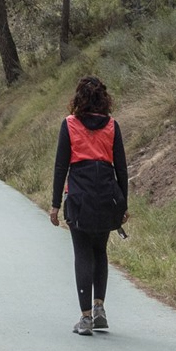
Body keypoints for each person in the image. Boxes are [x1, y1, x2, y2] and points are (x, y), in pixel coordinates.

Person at [48, 75, 129, 336]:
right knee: (100, 251)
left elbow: (61, 166)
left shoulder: (70, 124)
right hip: (106, 197)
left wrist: (55, 204)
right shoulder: (112, 126)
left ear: (78, 98)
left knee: (82, 254)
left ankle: (85, 320)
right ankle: (99, 309)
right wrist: (123, 205)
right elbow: (121, 168)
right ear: (104, 99)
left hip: (80, 198)